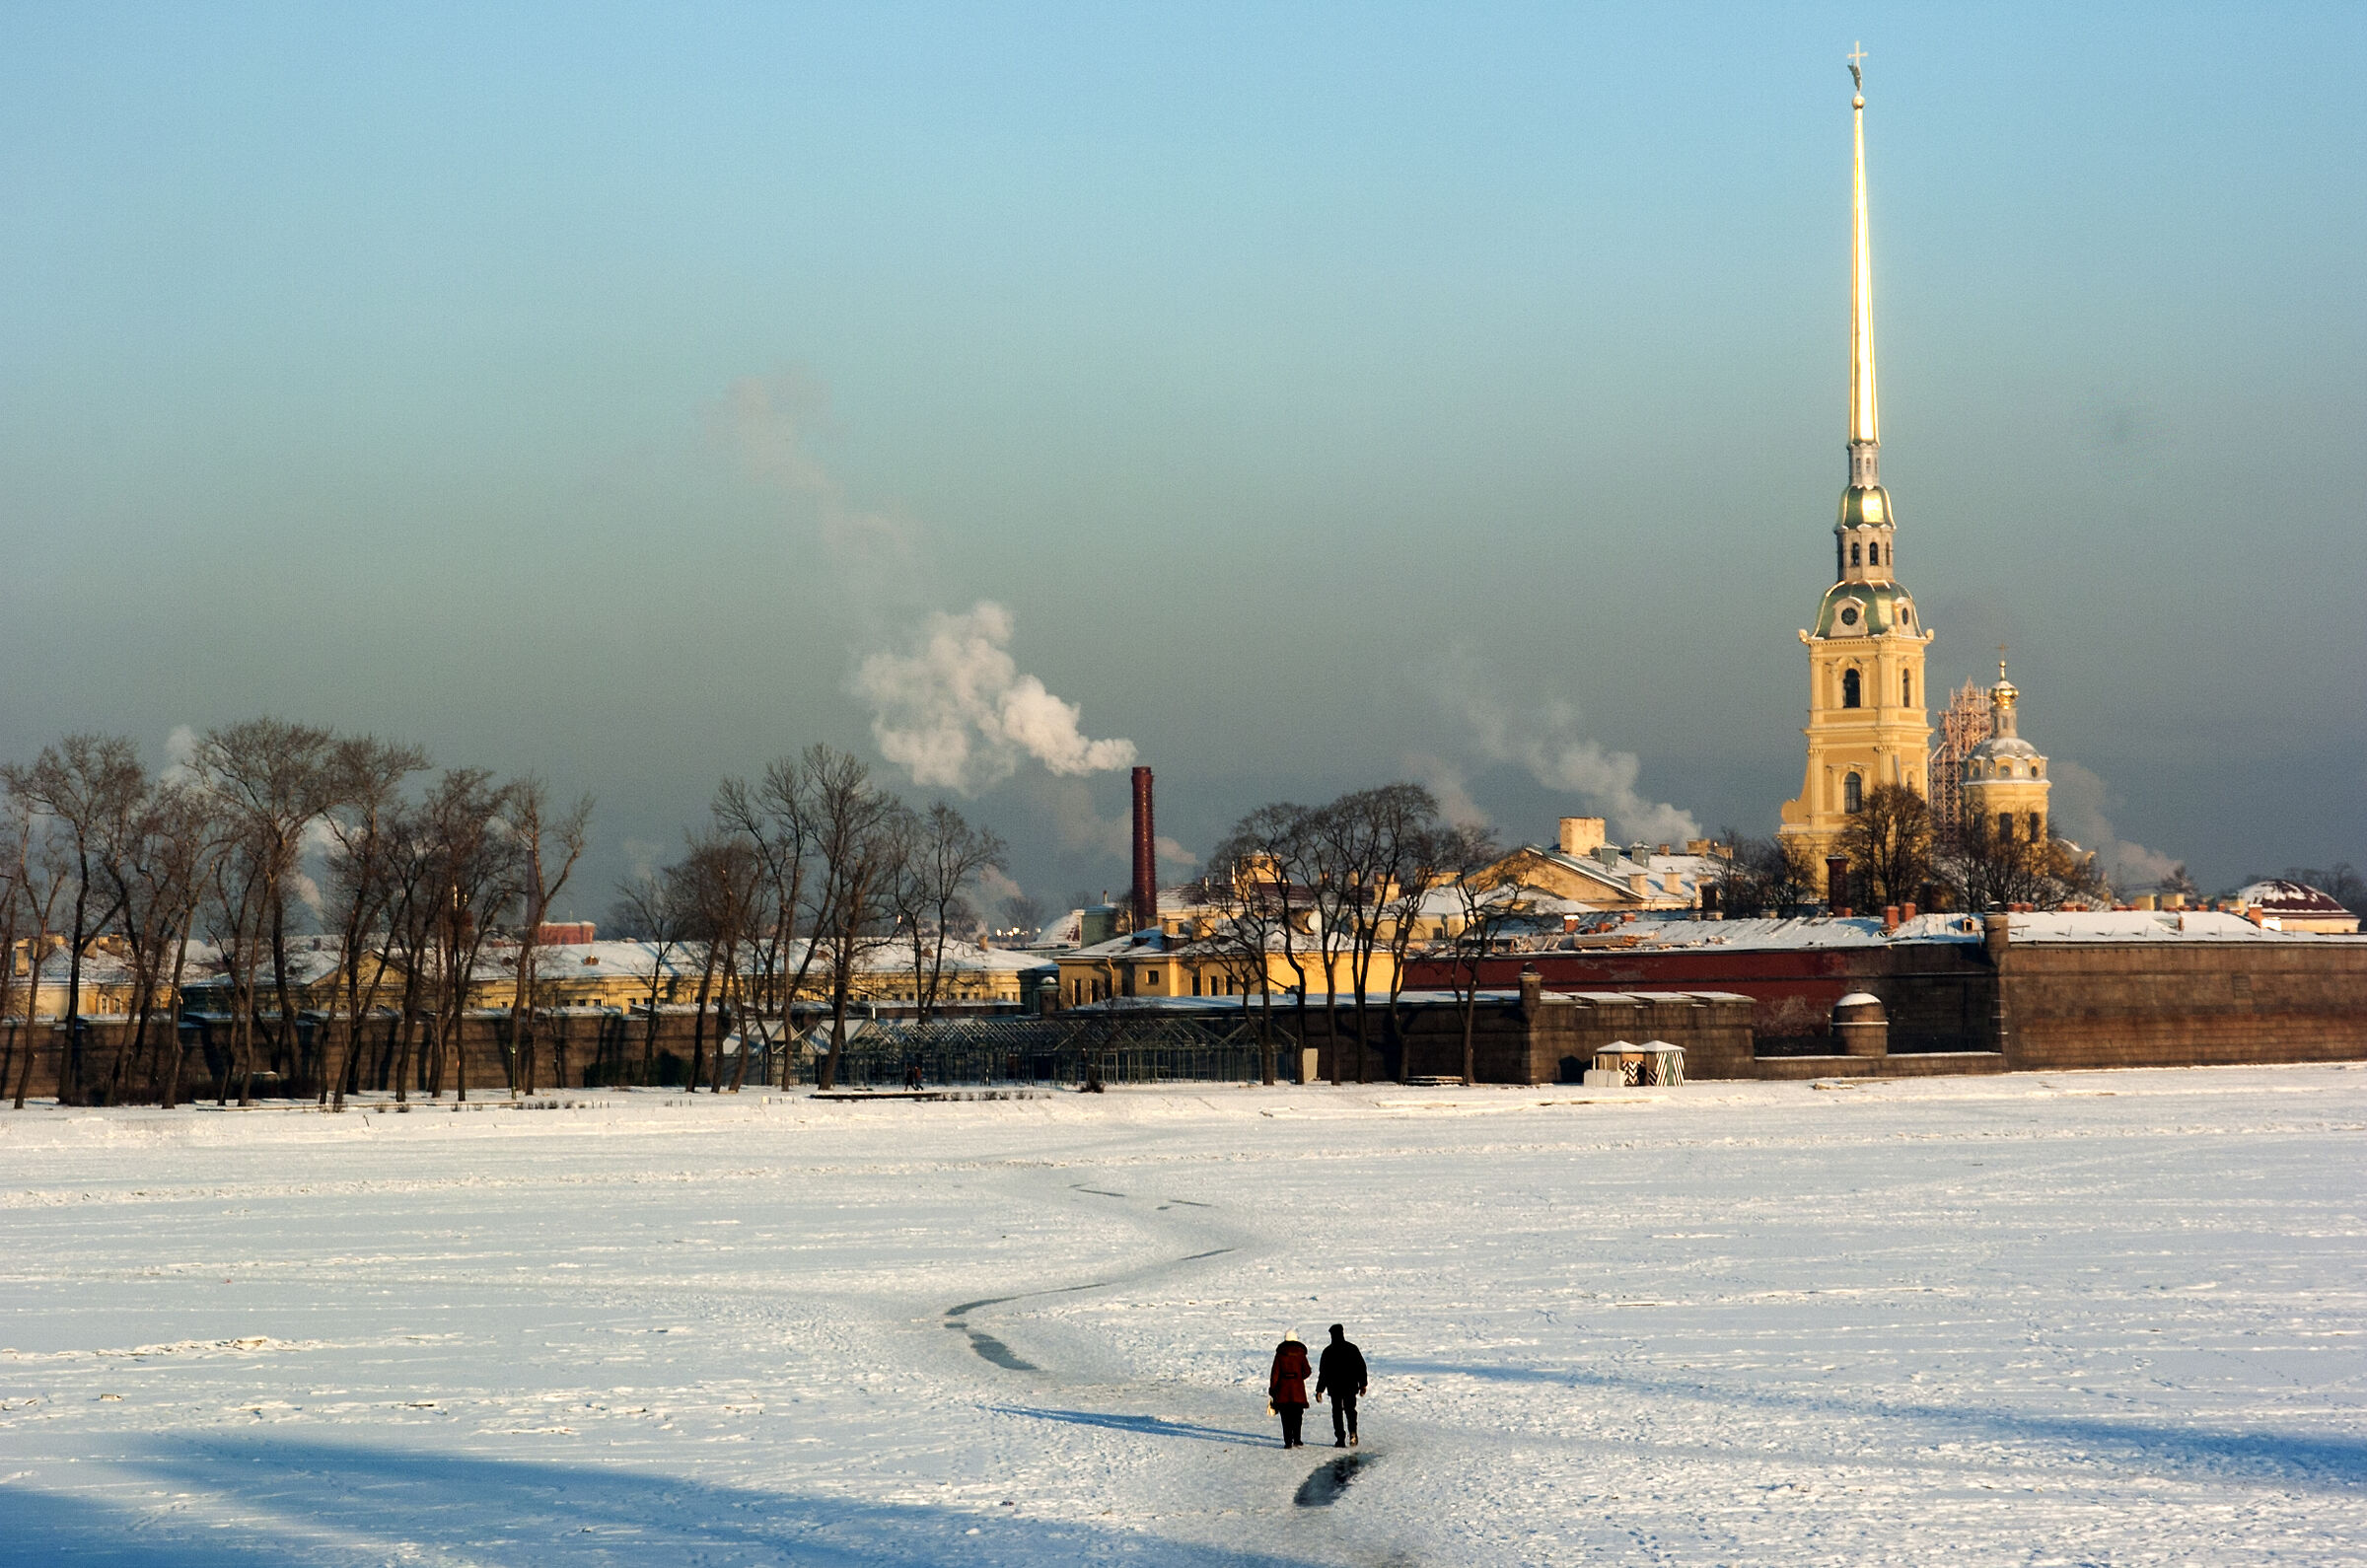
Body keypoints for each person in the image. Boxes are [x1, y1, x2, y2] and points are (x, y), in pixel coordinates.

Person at [1316, 1322, 1367, 1448]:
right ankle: (1353, 1432)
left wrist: (1319, 1390)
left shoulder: (1328, 1351)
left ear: (1332, 1335)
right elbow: (1361, 1367)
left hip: (1335, 1387)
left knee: (1337, 1412)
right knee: (1350, 1411)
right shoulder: (1352, 1348)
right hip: (1350, 1386)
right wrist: (1363, 1384)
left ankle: (1340, 1438)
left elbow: (1323, 1373)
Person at [1267, 1330, 1311, 1448]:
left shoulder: (1280, 1354)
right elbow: (1307, 1371)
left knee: (1285, 1417)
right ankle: (1297, 1439)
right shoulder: (1301, 1354)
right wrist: (1298, 1378)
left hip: (1283, 1390)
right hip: (1297, 1390)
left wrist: (1272, 1388)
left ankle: (1287, 1442)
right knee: (1297, 1415)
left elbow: (1275, 1373)